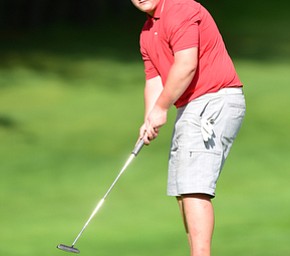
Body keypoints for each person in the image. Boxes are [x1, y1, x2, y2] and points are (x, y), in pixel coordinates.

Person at [130, 0, 246, 255]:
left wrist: (161, 109)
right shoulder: (148, 31)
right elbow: (155, 79)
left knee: (194, 186)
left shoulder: (180, 8)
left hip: (212, 99)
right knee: (184, 189)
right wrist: (149, 117)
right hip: (192, 107)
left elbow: (186, 64)